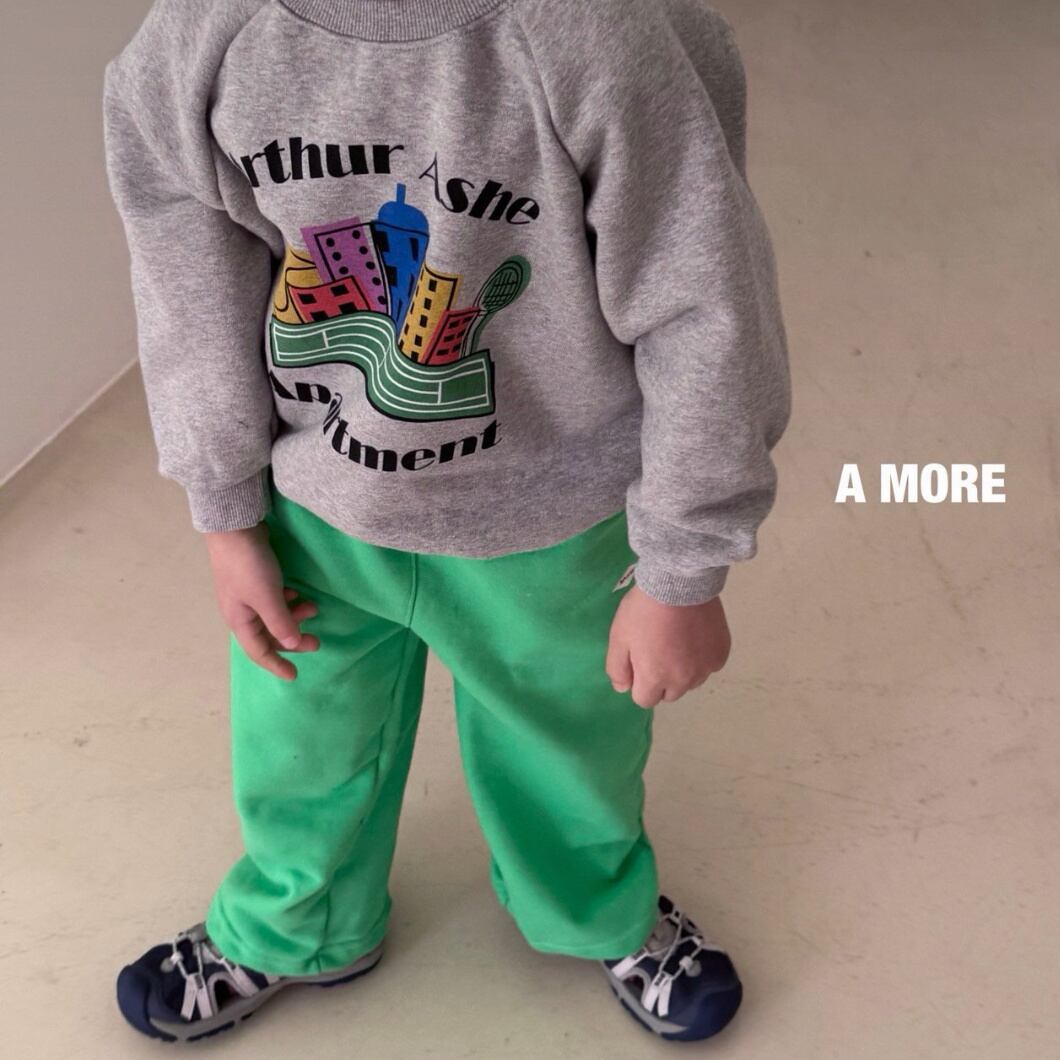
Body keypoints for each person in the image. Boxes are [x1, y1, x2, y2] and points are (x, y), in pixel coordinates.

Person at [102, 0, 791, 1044]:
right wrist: (225, 514)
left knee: (569, 746)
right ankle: (298, 925)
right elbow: (186, 279)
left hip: (552, 521)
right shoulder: (207, 34)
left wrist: (681, 565)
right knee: (298, 745)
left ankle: (595, 910)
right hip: (317, 513)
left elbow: (705, 299)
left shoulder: (596, 34)